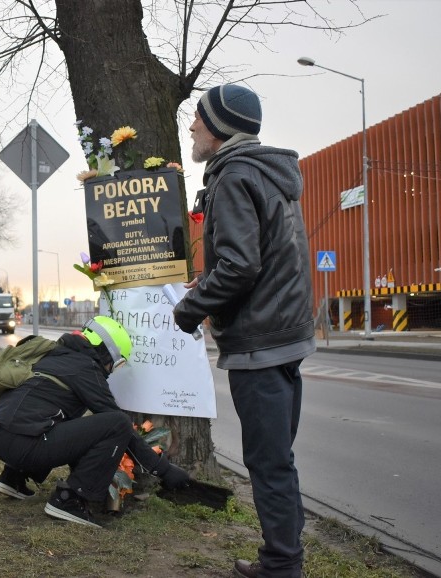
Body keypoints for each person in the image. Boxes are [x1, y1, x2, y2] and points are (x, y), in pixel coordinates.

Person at [172, 84, 315, 578]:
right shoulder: (268, 173)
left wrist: (190, 308)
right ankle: (283, 559)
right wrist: (208, 282)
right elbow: (265, 257)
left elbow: (240, 266)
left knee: (269, 463)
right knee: (278, 458)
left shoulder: (234, 176)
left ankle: (281, 567)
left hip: (261, 339)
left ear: (220, 127)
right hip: (286, 332)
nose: (191, 126)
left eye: (198, 118)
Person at [0, 316, 192, 528]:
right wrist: (163, 470)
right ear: (105, 351)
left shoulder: (54, 355)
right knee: (118, 424)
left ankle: (13, 477)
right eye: (117, 363)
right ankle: (69, 500)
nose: (112, 370)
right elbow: (118, 424)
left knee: (54, 419)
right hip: (27, 445)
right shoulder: (86, 368)